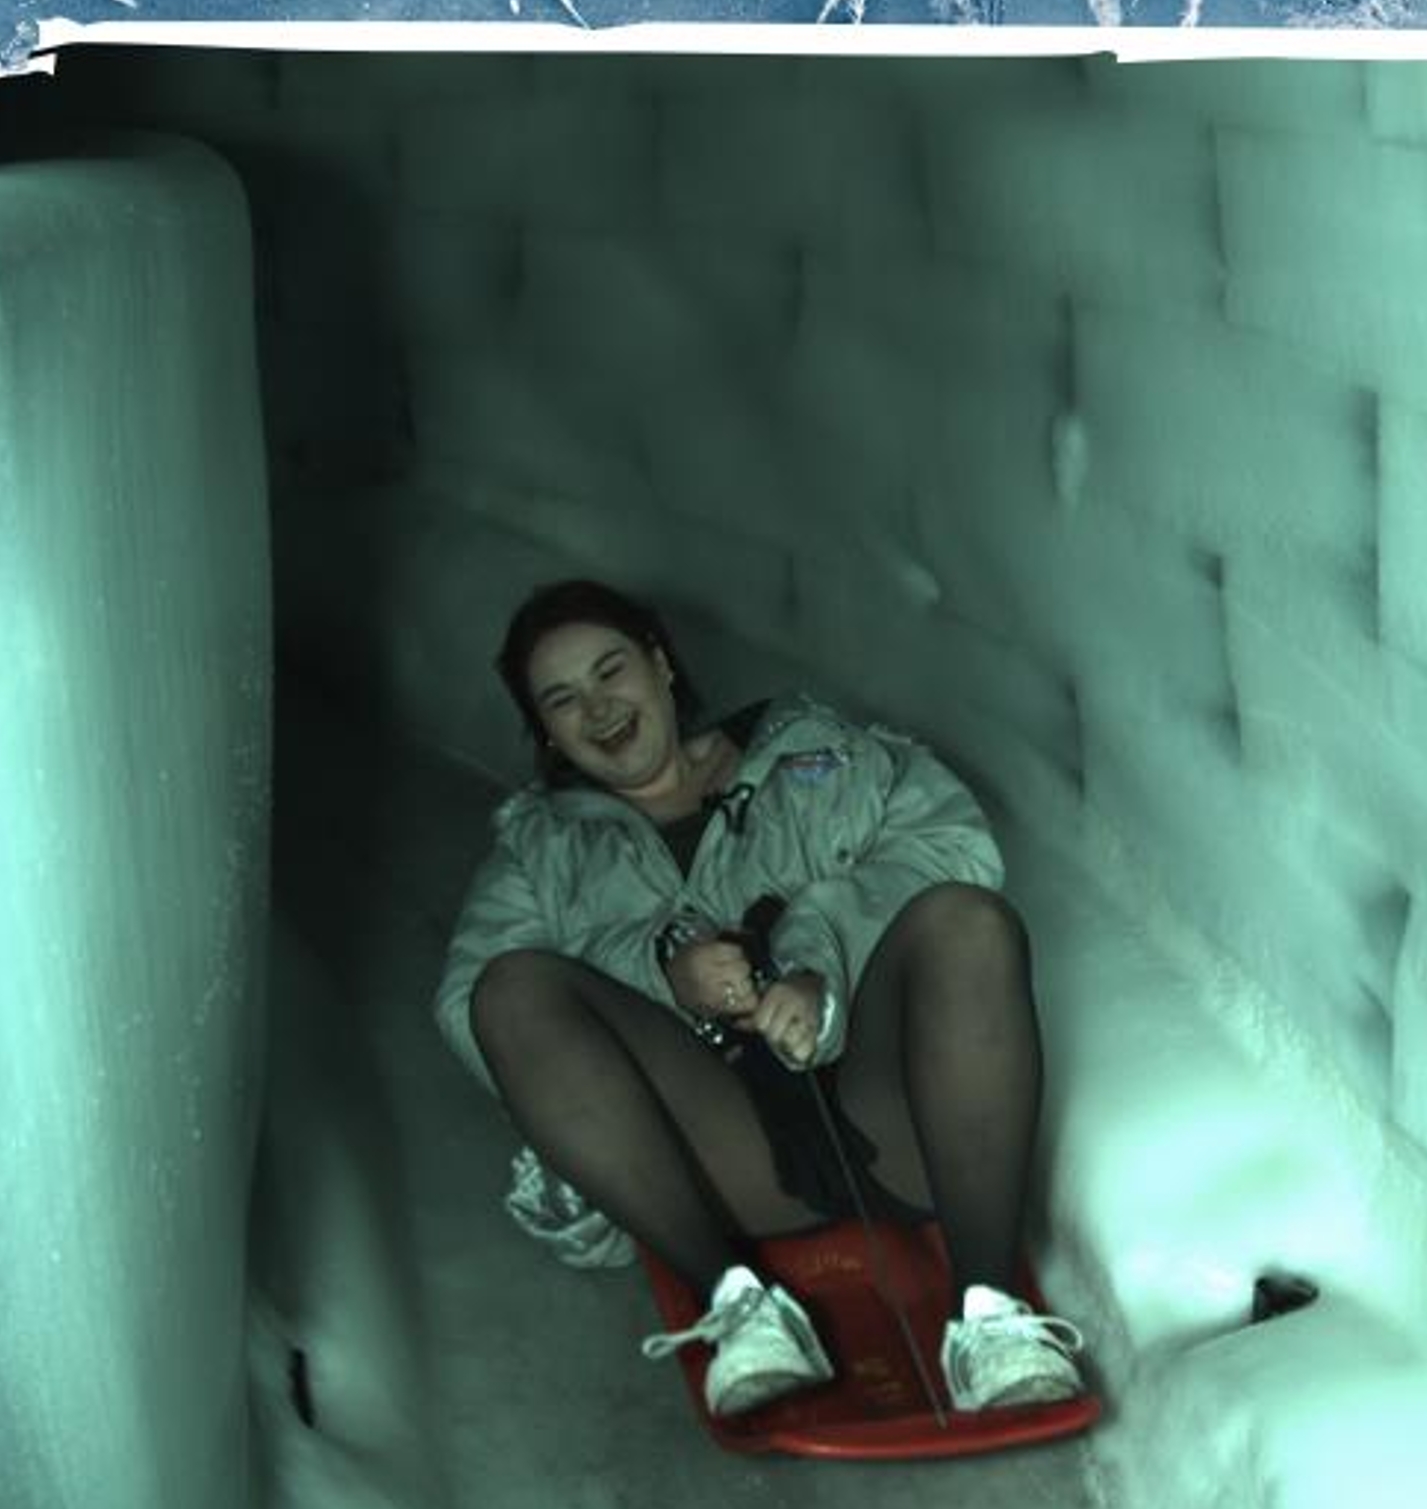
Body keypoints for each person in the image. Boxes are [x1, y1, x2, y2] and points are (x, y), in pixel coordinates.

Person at [434, 580, 1084, 1419]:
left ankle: (990, 1318)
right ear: (545, 731)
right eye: (562, 700)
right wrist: (661, 972)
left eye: (611, 671)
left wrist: (817, 964)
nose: (598, 710)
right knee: (512, 991)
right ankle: (742, 1310)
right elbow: (471, 1008)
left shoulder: (819, 755)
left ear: (661, 665)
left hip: (894, 1113)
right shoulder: (540, 848)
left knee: (969, 922)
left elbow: (953, 847)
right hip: (723, 1162)